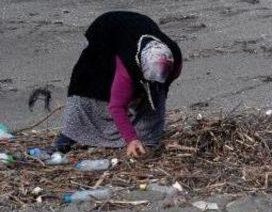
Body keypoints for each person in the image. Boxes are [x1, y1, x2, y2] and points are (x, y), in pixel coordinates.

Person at [52, 11, 182, 157]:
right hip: (105, 36)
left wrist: (149, 94)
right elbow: (116, 106)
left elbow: (163, 87)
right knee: (89, 89)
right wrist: (131, 139)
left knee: (154, 99)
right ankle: (67, 137)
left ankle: (140, 136)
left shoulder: (174, 59)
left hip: (138, 28)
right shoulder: (128, 64)